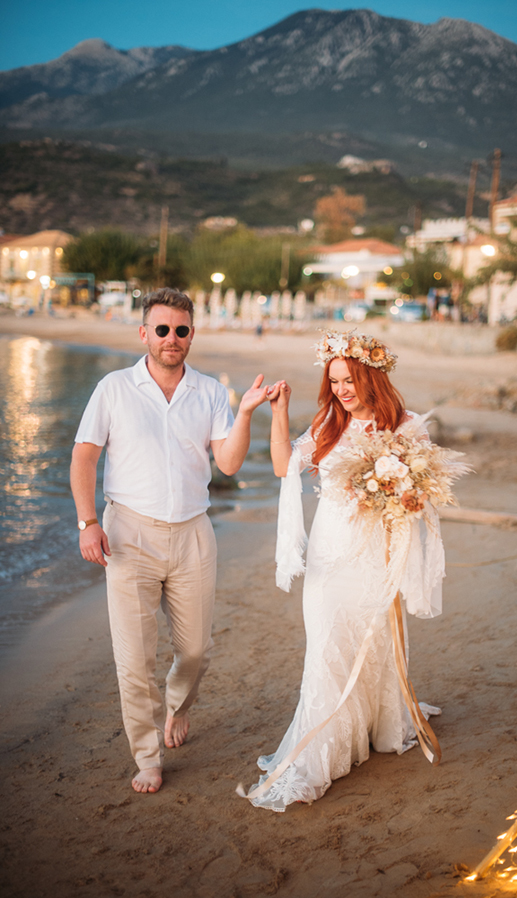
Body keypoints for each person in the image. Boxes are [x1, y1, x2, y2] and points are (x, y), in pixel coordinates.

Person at [71, 287, 273, 794]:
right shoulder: (114, 388)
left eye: (181, 330)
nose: (171, 338)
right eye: (161, 329)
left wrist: (245, 413)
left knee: (196, 650)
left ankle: (179, 706)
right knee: (133, 659)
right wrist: (86, 522)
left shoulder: (207, 391)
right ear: (144, 333)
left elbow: (226, 464)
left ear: (191, 335)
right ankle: (146, 756)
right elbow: (84, 458)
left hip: (193, 535)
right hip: (128, 534)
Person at [245, 330, 446, 812]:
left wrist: (396, 493)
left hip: (376, 557)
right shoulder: (327, 425)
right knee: (327, 647)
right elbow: (281, 467)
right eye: (334, 381)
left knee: (372, 643)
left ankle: (372, 731)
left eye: (349, 379)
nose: (342, 389)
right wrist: (277, 413)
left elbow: (421, 496)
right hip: (329, 557)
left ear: (370, 374)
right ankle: (319, 754)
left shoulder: (408, 427)